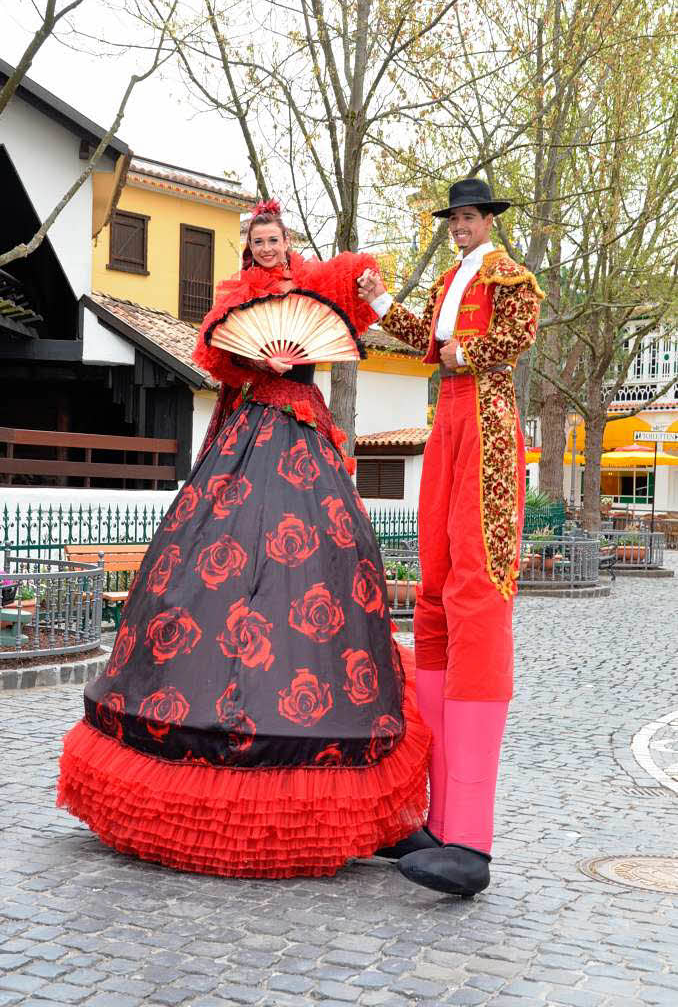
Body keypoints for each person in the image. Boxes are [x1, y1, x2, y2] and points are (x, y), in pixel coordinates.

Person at [57, 199, 430, 879]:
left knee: (324, 564)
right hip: (248, 435)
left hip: (306, 442)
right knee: (211, 566)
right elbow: (220, 357)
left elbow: (350, 275)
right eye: (258, 239)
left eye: (275, 237)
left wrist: (371, 278)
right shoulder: (233, 296)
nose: (267, 246)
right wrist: (257, 361)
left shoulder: (312, 281)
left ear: (288, 241)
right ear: (249, 246)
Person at [357, 178, 544, 896]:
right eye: (456, 219)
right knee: (433, 598)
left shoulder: (511, 278)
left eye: (469, 218)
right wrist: (377, 300)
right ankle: (436, 821)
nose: (461, 227)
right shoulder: (447, 280)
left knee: (478, 595)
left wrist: (459, 350)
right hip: (448, 424)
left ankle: (470, 838)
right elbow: (419, 340)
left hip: (489, 424)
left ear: (486, 221)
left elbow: (509, 342)